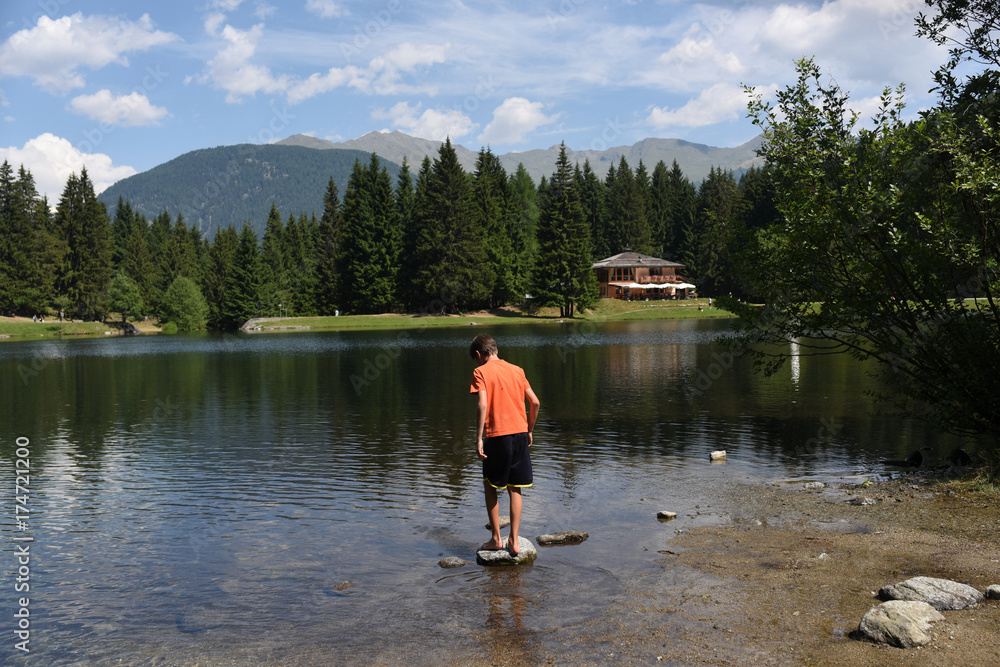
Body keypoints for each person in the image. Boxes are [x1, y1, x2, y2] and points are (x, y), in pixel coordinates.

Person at [469, 333, 540, 556]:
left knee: (490, 485)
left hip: (497, 435)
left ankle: (496, 539)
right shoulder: (517, 370)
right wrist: (529, 430)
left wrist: (479, 438)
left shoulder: (480, 372)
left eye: (476, 358)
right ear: (495, 349)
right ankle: (514, 541)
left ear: (479, 354)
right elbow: (535, 402)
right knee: (515, 488)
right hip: (519, 433)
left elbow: (482, 405)